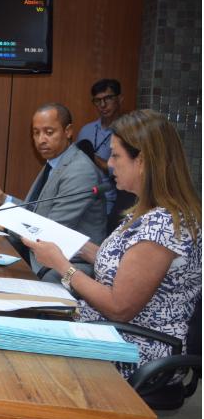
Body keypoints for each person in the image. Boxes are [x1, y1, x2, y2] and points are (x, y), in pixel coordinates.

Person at [24, 109, 201, 379]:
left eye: (116, 156)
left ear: (142, 161)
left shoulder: (163, 224)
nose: (108, 164)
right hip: (109, 334)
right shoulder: (147, 212)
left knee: (25, 358)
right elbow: (125, 265)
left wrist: (62, 266)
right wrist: (74, 244)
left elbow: (119, 308)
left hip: (136, 351)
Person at [0, 103, 107, 282]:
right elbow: (38, 213)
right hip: (41, 254)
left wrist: (5, 226)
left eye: (49, 132)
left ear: (68, 131)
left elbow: (50, 230)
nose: (41, 140)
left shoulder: (80, 170)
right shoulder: (56, 162)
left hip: (69, 265)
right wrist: (3, 199)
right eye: (36, 133)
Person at [77, 78, 125, 216]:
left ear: (120, 99)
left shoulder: (126, 131)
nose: (103, 105)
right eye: (98, 100)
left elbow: (120, 171)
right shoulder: (86, 130)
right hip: (83, 197)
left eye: (108, 98)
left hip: (110, 202)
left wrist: (92, 157)